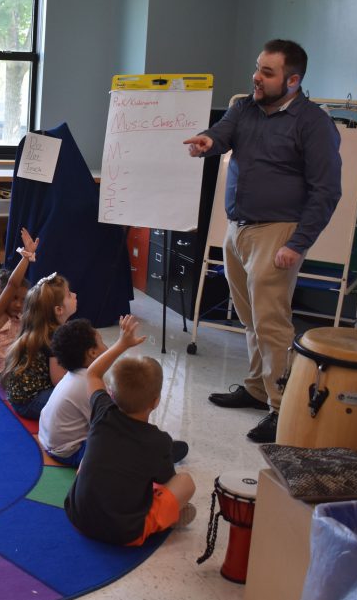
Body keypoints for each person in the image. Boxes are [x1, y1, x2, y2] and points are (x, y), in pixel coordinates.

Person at [184, 39, 342, 443]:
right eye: (257, 67)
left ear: (293, 80)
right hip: (237, 230)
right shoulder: (245, 108)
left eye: (267, 72)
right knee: (250, 319)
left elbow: (326, 191)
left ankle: (281, 407)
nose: (256, 76)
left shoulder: (313, 123)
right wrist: (207, 142)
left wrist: (299, 243)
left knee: (271, 324)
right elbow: (222, 133)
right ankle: (257, 389)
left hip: (278, 233)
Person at [64, 316, 195, 546]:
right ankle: (164, 519)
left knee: (92, 460)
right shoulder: (158, 441)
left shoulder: (102, 411)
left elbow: (93, 374)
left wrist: (121, 345)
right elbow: (167, 481)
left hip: (77, 515)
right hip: (124, 532)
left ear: (112, 394)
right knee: (185, 482)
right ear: (155, 402)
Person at [0, 272, 77, 420]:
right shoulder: (54, 335)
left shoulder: (40, 329)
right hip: (31, 402)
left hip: (18, 398)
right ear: (59, 310)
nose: (74, 295)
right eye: (69, 294)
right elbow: (59, 380)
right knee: (79, 395)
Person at [39, 318, 104, 466]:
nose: (106, 346)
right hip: (68, 451)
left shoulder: (76, 374)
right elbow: (104, 424)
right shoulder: (86, 383)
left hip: (48, 439)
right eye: (102, 341)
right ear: (93, 352)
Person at [0, 228, 37, 377]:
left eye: (23, 300)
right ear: (0, 295)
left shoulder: (17, 315)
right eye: (14, 298)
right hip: (8, 375)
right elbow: (13, 284)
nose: (19, 305)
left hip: (18, 367)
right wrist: (26, 256)